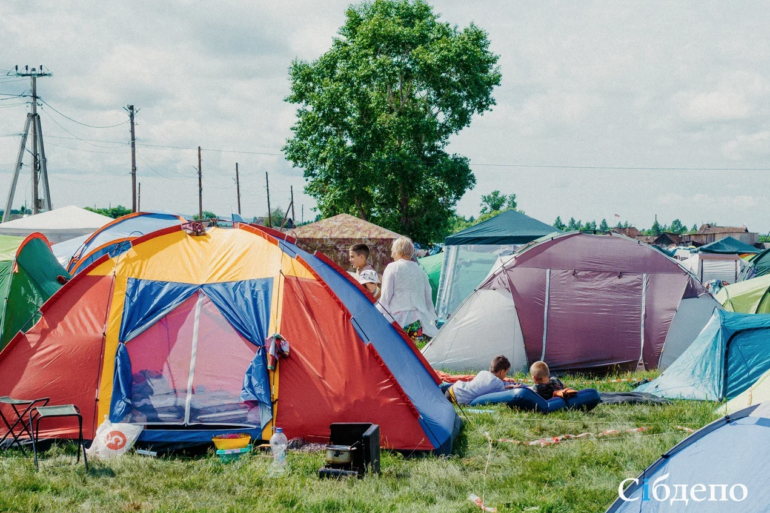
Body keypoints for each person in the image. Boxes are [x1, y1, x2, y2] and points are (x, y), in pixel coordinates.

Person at [377, 237, 438, 341]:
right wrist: (432, 315)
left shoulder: (392, 267)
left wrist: (379, 312)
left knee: (396, 352)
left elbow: (386, 295)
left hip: (397, 320)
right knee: (414, 352)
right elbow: (428, 297)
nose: (392, 255)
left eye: (393, 251)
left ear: (399, 251)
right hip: (418, 321)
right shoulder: (420, 271)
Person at [444, 356, 515, 405]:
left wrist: (506, 387)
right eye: (506, 373)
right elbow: (502, 395)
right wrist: (513, 388)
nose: (506, 375)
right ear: (502, 372)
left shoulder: (482, 372)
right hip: (459, 399)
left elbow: (483, 387)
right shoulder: (499, 383)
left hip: (452, 389)